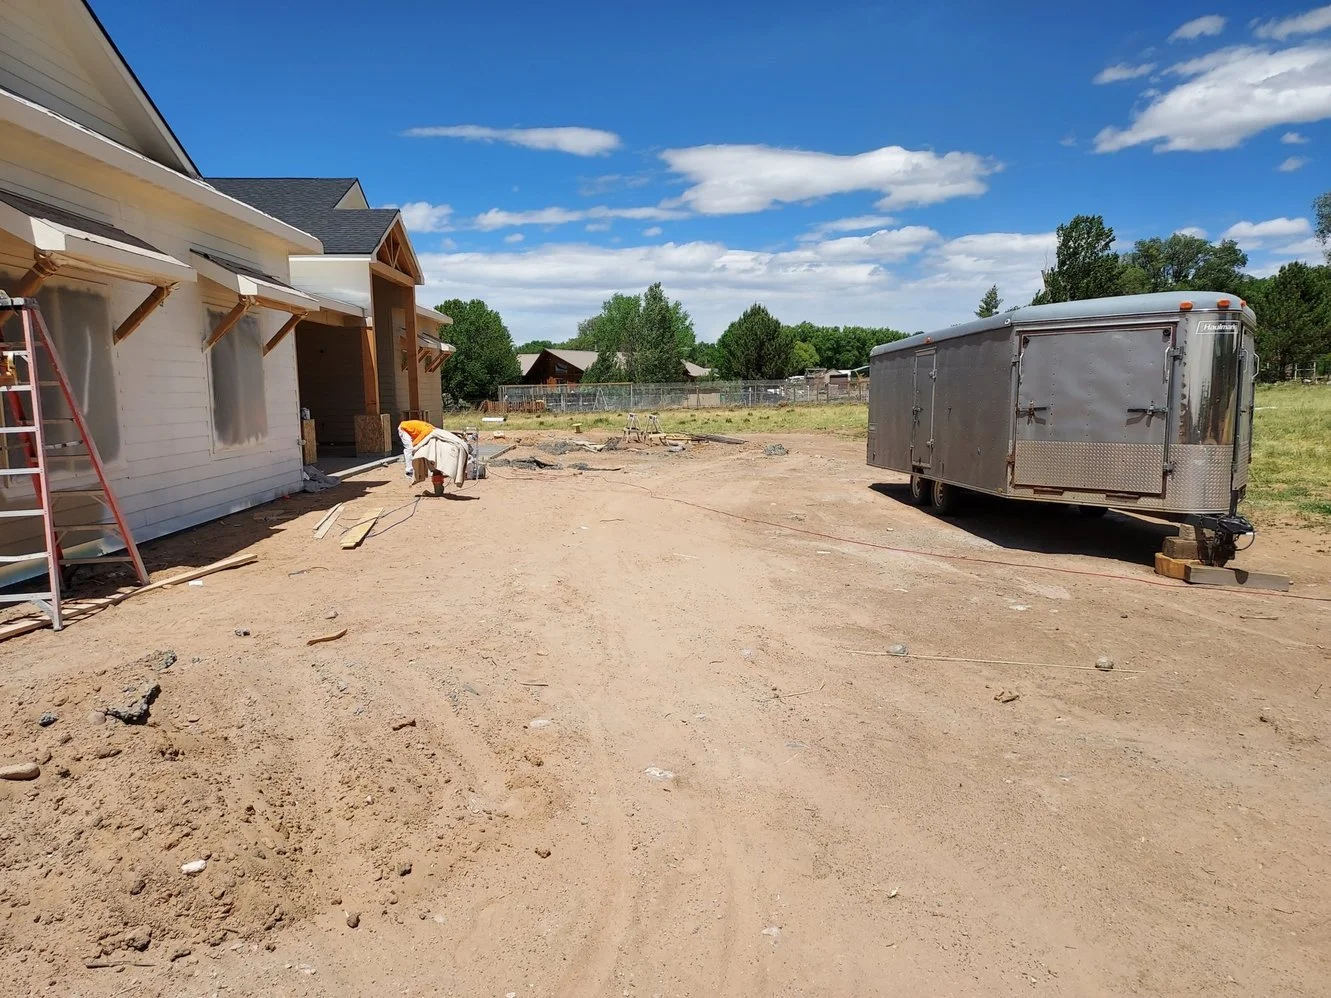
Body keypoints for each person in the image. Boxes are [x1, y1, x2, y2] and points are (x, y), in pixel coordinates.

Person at [398, 419, 468, 494]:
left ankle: (438, 489)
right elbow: (416, 444)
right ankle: (409, 470)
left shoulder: (433, 432)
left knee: (434, 467)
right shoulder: (427, 433)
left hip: (416, 430)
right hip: (403, 428)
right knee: (409, 448)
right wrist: (415, 448)